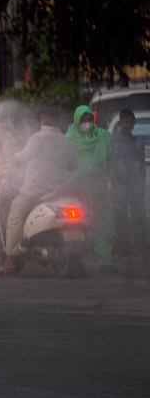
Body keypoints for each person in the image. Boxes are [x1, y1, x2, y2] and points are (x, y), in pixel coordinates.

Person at [0, 108, 77, 275]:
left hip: (33, 191)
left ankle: (10, 259)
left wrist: (9, 159)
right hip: (56, 192)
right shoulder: (67, 142)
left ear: (44, 119)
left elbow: (20, 159)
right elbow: (73, 166)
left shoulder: (36, 139)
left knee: (15, 216)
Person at [65, 104, 115, 274]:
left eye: (89, 119)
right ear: (77, 120)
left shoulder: (103, 137)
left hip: (97, 187)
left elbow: (113, 156)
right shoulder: (68, 139)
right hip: (76, 189)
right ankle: (74, 258)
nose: (87, 122)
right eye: (83, 119)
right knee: (76, 224)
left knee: (101, 222)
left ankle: (105, 261)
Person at [110, 109, 146, 260]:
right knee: (120, 217)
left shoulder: (138, 142)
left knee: (138, 216)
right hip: (119, 184)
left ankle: (141, 248)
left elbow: (141, 163)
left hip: (135, 184)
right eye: (125, 121)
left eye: (131, 121)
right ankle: (123, 248)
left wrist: (141, 181)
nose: (128, 124)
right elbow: (109, 162)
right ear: (121, 122)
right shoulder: (113, 142)